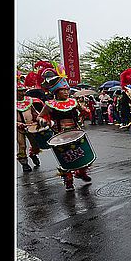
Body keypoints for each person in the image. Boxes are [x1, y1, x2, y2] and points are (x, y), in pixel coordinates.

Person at [36, 62, 92, 191]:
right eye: (63, 90)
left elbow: (85, 112)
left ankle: (81, 172)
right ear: (56, 91)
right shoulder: (50, 104)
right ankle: (68, 180)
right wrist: (43, 121)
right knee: (66, 157)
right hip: (59, 134)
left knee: (81, 153)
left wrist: (85, 111)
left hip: (75, 131)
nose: (66, 92)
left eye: (67, 90)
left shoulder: (74, 101)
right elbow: (40, 117)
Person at [16, 71, 43, 172]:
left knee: (35, 144)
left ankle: (33, 154)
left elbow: (35, 113)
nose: (23, 92)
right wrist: (18, 124)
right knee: (22, 145)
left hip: (31, 126)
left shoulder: (29, 100)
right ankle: (24, 163)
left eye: (24, 90)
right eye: (20, 91)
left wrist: (39, 119)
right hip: (18, 128)